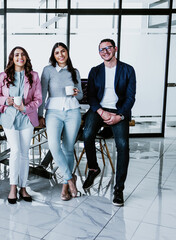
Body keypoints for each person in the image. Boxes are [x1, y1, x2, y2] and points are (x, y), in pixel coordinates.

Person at [82, 38, 136, 207]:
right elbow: (90, 95)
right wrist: (100, 111)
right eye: (101, 49)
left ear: (115, 49)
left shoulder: (128, 70)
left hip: (120, 110)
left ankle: (119, 188)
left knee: (122, 145)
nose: (105, 51)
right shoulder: (95, 71)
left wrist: (120, 116)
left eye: (108, 48)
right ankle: (93, 168)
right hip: (99, 109)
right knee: (87, 134)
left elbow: (130, 97)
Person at [0, 46, 42, 204]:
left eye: (23, 54)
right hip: (9, 117)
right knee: (15, 151)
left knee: (24, 153)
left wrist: (25, 108)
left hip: (27, 118)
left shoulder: (34, 76)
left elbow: (38, 99)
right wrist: (5, 101)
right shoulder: (3, 75)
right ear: (12, 58)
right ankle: (13, 187)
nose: (20, 57)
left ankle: (23, 187)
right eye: (16, 55)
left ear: (26, 57)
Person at [38, 42, 83, 201]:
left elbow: (81, 96)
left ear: (67, 53)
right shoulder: (48, 70)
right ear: (53, 55)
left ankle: (65, 186)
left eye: (63, 51)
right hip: (53, 112)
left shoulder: (74, 71)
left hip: (73, 111)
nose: (61, 55)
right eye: (57, 52)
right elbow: (42, 94)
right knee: (54, 146)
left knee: (68, 149)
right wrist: (39, 115)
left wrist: (77, 93)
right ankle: (71, 179)